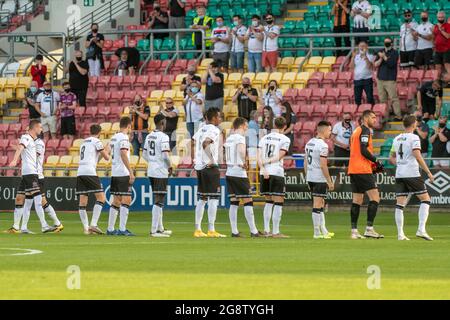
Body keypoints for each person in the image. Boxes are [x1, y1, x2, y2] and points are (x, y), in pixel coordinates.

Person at [390, 115, 435, 241]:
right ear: (414, 124)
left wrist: (400, 164)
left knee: (400, 204)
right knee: (426, 199)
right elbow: (417, 155)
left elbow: (392, 157)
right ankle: (421, 230)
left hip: (400, 173)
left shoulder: (396, 138)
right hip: (412, 173)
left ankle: (400, 234)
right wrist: (428, 172)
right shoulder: (414, 137)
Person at [8, 120, 56, 234]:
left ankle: (20, 227)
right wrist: (14, 160)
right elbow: (21, 147)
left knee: (20, 198)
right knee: (38, 198)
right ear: (33, 128)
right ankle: (43, 226)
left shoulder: (33, 142)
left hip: (28, 172)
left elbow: (24, 150)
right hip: (30, 172)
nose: (41, 129)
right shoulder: (26, 137)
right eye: (40, 127)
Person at [348, 110, 384, 239]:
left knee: (357, 200)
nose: (375, 120)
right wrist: (376, 160)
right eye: (373, 117)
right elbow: (363, 149)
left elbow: (355, 149)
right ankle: (369, 229)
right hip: (362, 169)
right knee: (375, 198)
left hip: (353, 168)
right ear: (366, 118)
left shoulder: (356, 131)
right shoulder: (365, 130)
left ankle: (354, 231)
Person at [225, 117, 262, 237]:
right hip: (238, 172)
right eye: (246, 126)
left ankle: (234, 231)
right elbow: (241, 150)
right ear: (241, 126)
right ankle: (254, 231)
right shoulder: (240, 138)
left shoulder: (229, 138)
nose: (247, 128)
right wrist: (244, 161)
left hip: (229, 171)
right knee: (248, 200)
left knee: (234, 202)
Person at [193, 107, 225, 238]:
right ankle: (211, 229)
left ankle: (198, 229)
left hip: (200, 166)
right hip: (210, 167)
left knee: (202, 198)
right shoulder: (214, 130)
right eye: (219, 117)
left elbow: (193, 143)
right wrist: (212, 159)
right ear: (214, 118)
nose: (220, 119)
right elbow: (206, 143)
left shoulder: (201, 129)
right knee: (213, 198)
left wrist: (195, 160)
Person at [258, 117, 291, 238]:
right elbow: (279, 156)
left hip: (264, 172)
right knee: (278, 201)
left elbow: (258, 156)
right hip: (276, 171)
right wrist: (268, 162)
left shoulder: (264, 138)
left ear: (274, 124)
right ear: (285, 126)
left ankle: (267, 230)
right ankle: (276, 231)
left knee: (268, 201)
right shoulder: (285, 139)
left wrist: (263, 168)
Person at [76, 124, 110, 235]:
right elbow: (106, 157)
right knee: (101, 198)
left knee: (82, 202)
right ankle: (93, 224)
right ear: (99, 133)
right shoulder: (97, 141)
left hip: (80, 172)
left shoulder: (83, 142)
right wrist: (108, 149)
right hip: (90, 172)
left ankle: (86, 227)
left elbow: (95, 159)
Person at [143, 114, 173, 237]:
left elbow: (144, 154)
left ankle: (160, 228)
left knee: (159, 199)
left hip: (151, 170)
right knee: (159, 199)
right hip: (160, 171)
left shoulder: (149, 136)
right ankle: (153, 230)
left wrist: (152, 161)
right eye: (165, 121)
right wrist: (169, 166)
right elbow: (165, 155)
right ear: (162, 122)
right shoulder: (164, 137)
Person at [304, 121, 335, 239]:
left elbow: (306, 162)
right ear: (324, 130)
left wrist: (307, 177)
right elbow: (323, 165)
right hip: (319, 178)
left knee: (321, 203)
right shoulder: (323, 145)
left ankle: (324, 230)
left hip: (311, 177)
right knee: (317, 204)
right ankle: (316, 233)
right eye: (330, 130)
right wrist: (329, 180)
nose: (330, 132)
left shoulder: (309, 142)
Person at [107, 117, 135, 236]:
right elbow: (123, 154)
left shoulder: (114, 137)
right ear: (128, 126)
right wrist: (131, 172)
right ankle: (122, 229)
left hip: (115, 172)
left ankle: (110, 229)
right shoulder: (124, 137)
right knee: (126, 199)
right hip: (123, 172)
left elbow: (107, 151)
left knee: (116, 200)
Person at [374, 37, 401, 120]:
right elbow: (375, 64)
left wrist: (384, 57)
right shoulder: (381, 51)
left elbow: (391, 64)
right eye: (385, 42)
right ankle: (386, 116)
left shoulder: (395, 53)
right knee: (382, 99)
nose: (386, 44)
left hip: (390, 79)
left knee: (393, 98)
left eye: (388, 42)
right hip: (380, 79)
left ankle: (398, 115)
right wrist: (381, 57)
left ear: (392, 43)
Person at [350, 40, 375, 106]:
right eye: (360, 46)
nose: (362, 47)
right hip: (357, 80)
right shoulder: (355, 56)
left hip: (367, 79)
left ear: (367, 47)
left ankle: (371, 111)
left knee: (370, 97)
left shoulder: (370, 56)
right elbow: (351, 67)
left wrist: (365, 57)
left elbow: (370, 67)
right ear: (358, 47)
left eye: (363, 46)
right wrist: (352, 57)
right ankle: (358, 112)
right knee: (357, 98)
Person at [433, 11, 450, 76]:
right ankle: (439, 83)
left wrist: (441, 30)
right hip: (437, 50)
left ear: (444, 17)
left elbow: (448, 36)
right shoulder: (435, 26)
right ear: (437, 18)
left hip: (446, 49)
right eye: (439, 17)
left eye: (442, 17)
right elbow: (434, 36)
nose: (440, 19)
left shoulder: (448, 26)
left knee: (447, 65)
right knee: (437, 67)